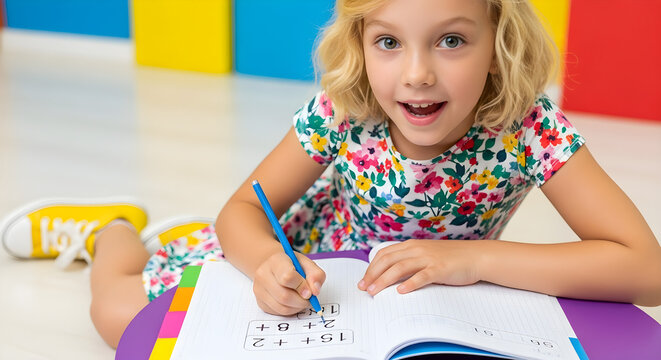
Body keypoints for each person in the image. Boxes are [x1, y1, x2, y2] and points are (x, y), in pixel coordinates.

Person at [1, 0, 660, 350]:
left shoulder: (527, 127)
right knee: (118, 311)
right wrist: (261, 262)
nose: (417, 74)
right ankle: (112, 228)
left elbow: (645, 270)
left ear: (499, 43)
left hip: (424, 303)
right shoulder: (343, 109)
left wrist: (470, 259)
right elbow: (244, 210)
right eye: (388, 42)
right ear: (360, 45)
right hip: (306, 272)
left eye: (451, 40)